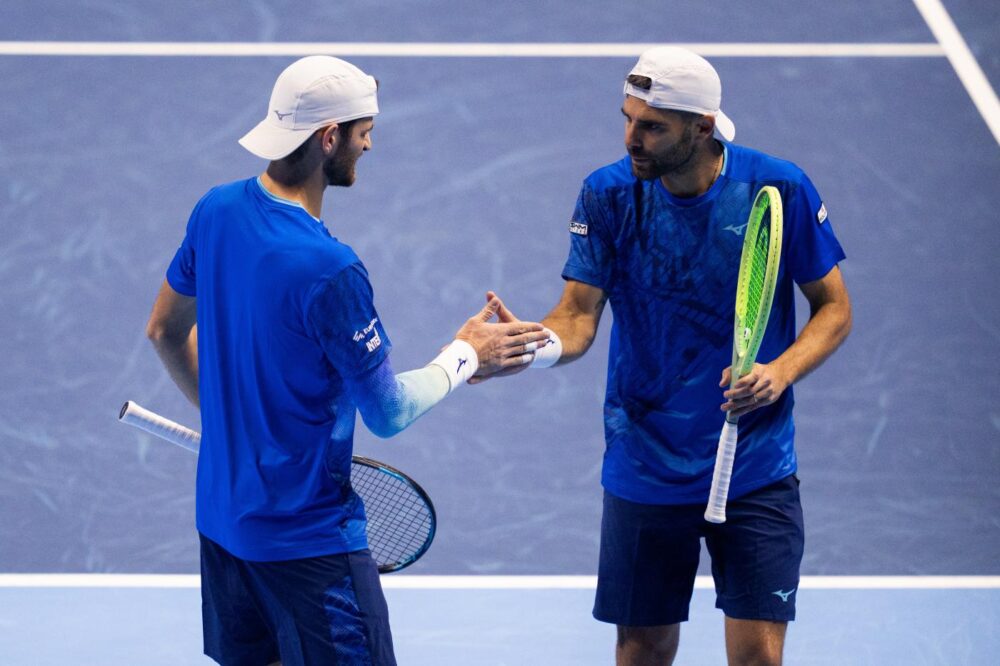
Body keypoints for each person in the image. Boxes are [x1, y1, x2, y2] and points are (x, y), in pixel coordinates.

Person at [144, 55, 548, 666]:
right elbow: (387, 410)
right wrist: (466, 353)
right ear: (328, 137)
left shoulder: (216, 210)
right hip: (309, 550)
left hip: (223, 530)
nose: (369, 145)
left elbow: (164, 332)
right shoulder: (329, 269)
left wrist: (238, 429)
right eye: (363, 134)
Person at [495, 47, 852, 665]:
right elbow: (578, 315)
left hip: (753, 464)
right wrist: (533, 345)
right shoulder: (607, 194)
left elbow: (834, 308)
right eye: (628, 119)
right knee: (643, 652)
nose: (632, 138)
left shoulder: (775, 187)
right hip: (645, 459)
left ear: (702, 128)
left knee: (758, 659)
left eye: (652, 127)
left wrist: (779, 373)